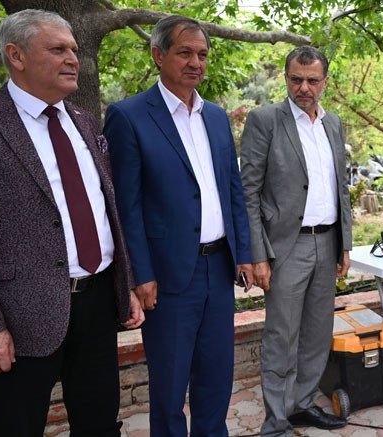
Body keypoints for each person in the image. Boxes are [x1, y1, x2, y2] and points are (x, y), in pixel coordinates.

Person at [0, 9, 144, 436]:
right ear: (16, 55)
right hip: (19, 316)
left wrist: (126, 284)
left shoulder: (82, 120)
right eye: (58, 49)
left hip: (97, 303)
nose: (73, 59)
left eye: (74, 50)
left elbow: (105, 210)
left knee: (100, 425)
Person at [103, 15, 253, 436]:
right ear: (158, 55)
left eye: (202, 54)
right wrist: (140, 274)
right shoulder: (128, 116)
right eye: (185, 52)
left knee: (216, 378)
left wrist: (244, 253)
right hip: (168, 276)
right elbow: (126, 206)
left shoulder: (216, 116)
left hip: (218, 269)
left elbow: (233, 190)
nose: (195, 63)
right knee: (170, 388)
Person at [239, 45, 352, 436]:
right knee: (281, 337)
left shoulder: (333, 123)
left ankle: (302, 405)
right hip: (287, 246)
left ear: (325, 82)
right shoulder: (265, 120)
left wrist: (345, 244)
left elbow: (341, 187)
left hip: (328, 242)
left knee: (318, 334)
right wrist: (258, 254)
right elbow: (249, 191)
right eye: (296, 79)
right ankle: (276, 422)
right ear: (286, 78)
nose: (304, 88)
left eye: (312, 80)